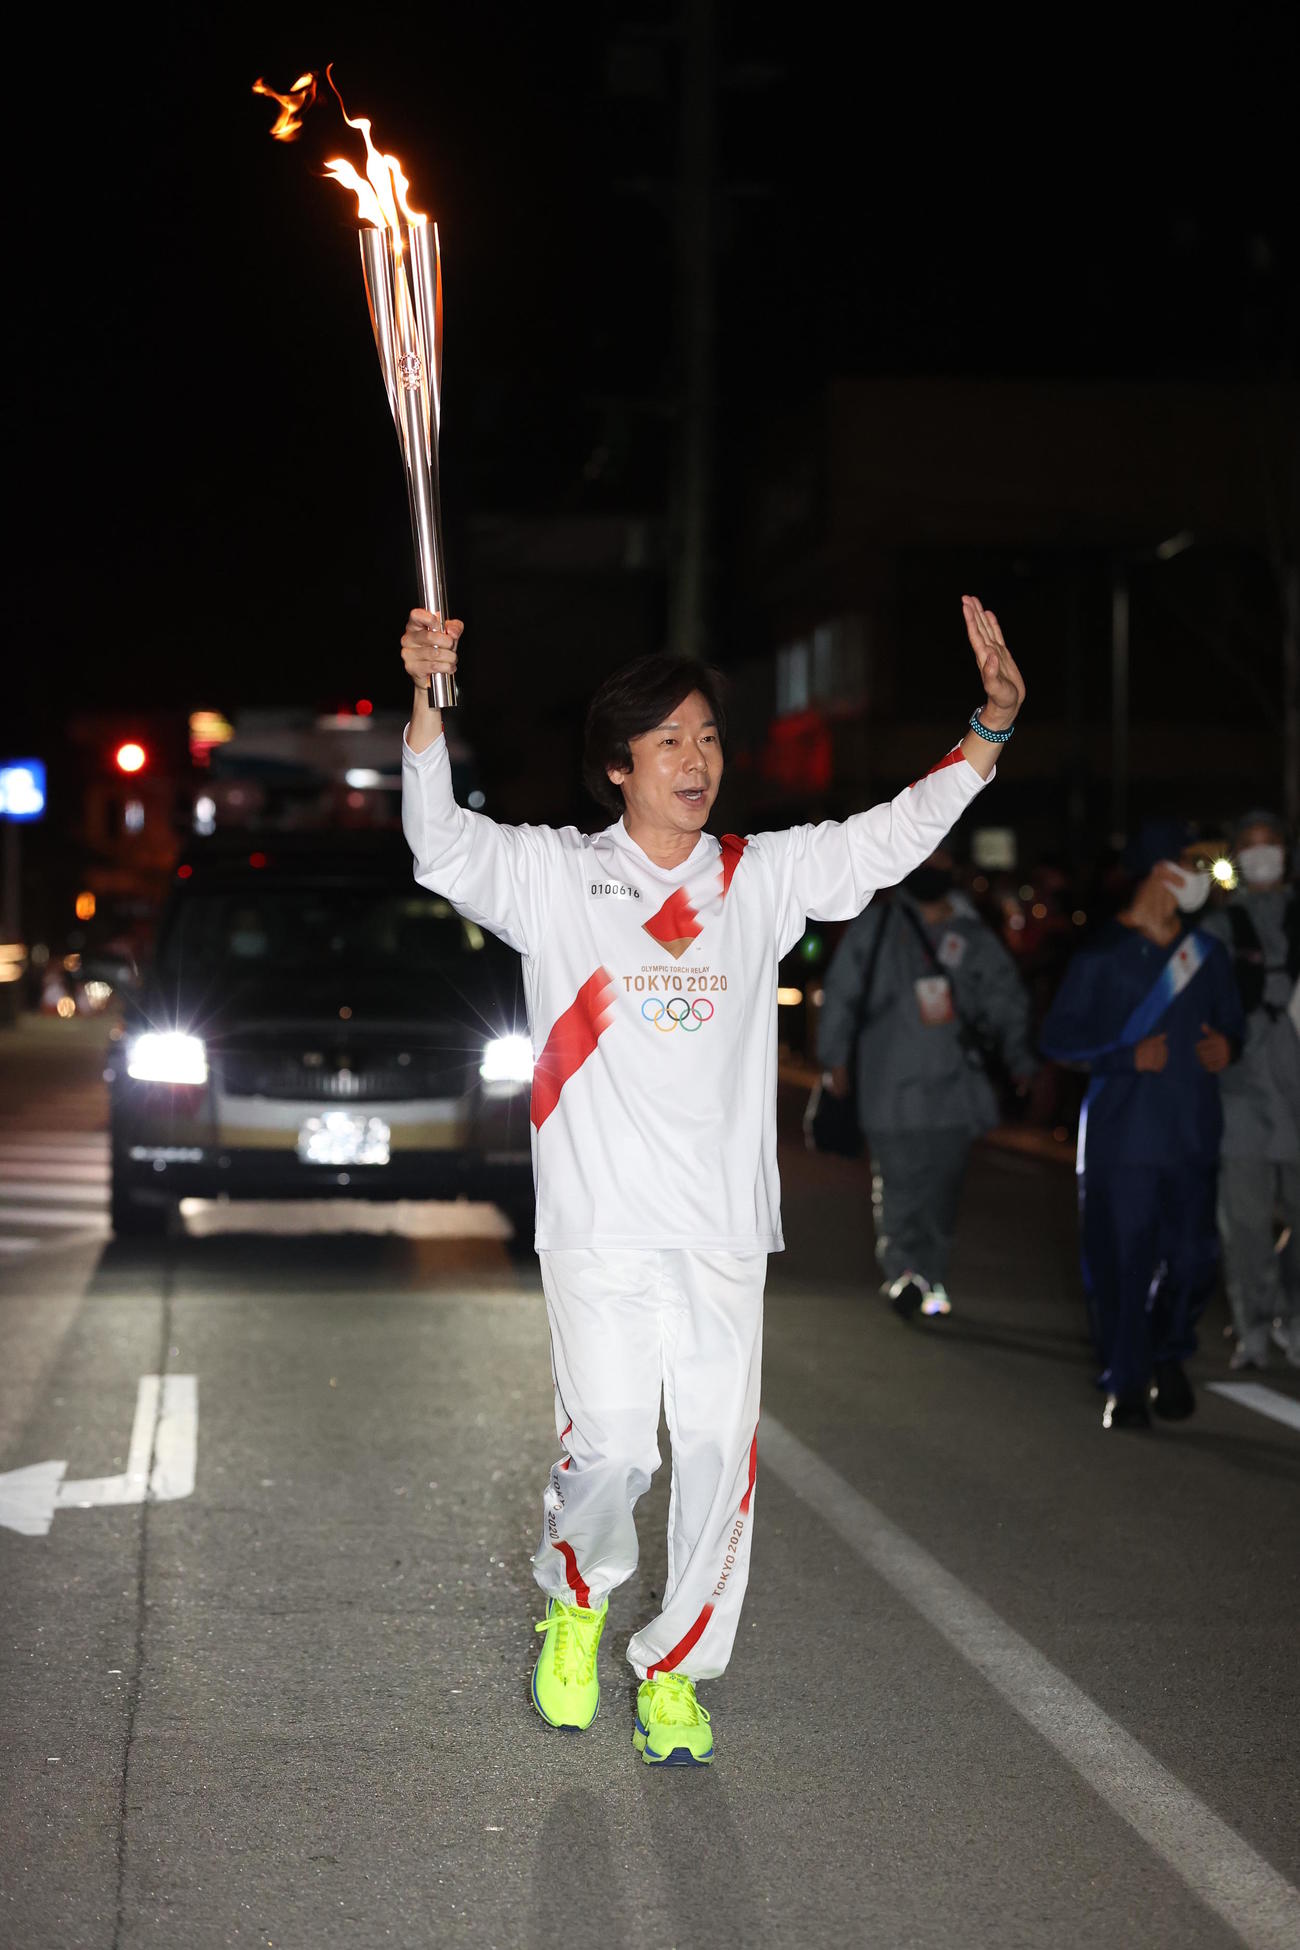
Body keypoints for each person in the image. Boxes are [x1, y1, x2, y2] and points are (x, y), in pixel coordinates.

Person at [399, 595, 1025, 1764]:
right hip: (598, 1224)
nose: (696, 760)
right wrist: (428, 701)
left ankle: (675, 1670)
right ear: (617, 766)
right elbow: (438, 844)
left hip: (722, 1228)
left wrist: (986, 731)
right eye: (668, 741)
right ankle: (576, 1596)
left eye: (707, 738)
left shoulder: (759, 876)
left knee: (715, 1456)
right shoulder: (552, 876)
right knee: (613, 1446)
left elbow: (886, 837)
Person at [1040, 822, 1244, 1430]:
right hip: (1121, 1139)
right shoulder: (1101, 956)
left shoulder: (1207, 956)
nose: (1201, 878)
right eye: (1190, 864)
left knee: (1193, 1259)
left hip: (1191, 1133)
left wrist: (1228, 1046)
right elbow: (1057, 1038)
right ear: (1160, 870)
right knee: (1120, 1263)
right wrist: (1124, 1056)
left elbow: (1232, 1024)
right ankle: (1126, 1382)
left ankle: (1168, 1350)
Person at [817, 845, 1036, 1319]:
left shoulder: (972, 934)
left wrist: (1020, 1057)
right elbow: (841, 993)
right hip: (888, 1084)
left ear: (953, 867)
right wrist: (834, 1059)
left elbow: (1005, 999)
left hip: (953, 1090)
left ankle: (930, 1275)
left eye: (940, 859)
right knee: (898, 1185)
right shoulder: (877, 926)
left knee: (941, 1189)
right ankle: (903, 1274)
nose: (930, 868)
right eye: (923, 858)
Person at [1202, 812, 1300, 1369]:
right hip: (1240, 1095)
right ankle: (1253, 1328)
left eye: (1273, 845)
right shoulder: (1219, 927)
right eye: (1251, 846)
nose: (1264, 855)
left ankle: (1294, 1317)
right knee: (1244, 1223)